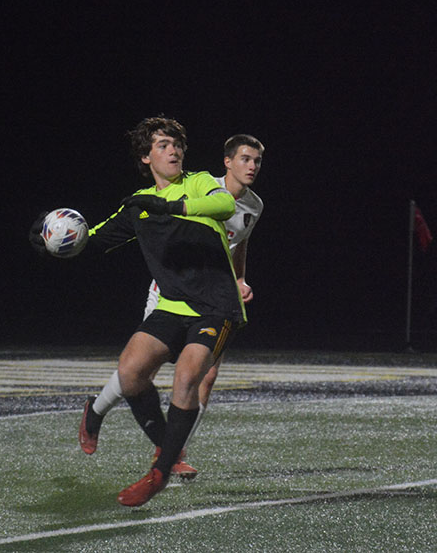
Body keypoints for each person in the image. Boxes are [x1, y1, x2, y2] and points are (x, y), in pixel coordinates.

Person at [30, 116, 246, 506]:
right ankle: (165, 451)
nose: (174, 150)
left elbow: (224, 202)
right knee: (130, 372)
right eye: (163, 145)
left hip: (216, 306)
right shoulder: (138, 206)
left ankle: (161, 470)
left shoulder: (197, 183)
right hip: (171, 306)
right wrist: (50, 243)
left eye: (177, 144)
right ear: (146, 157)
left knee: (187, 377)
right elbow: (91, 240)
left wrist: (173, 204)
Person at [78, 134, 265, 480]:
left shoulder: (253, 206)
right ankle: (97, 409)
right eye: (245, 159)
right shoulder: (203, 186)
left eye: (257, 161)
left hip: (215, 297)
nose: (252, 166)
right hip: (170, 294)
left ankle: (172, 452)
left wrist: (238, 280)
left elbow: (238, 246)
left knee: (203, 376)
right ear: (227, 162)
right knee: (139, 371)